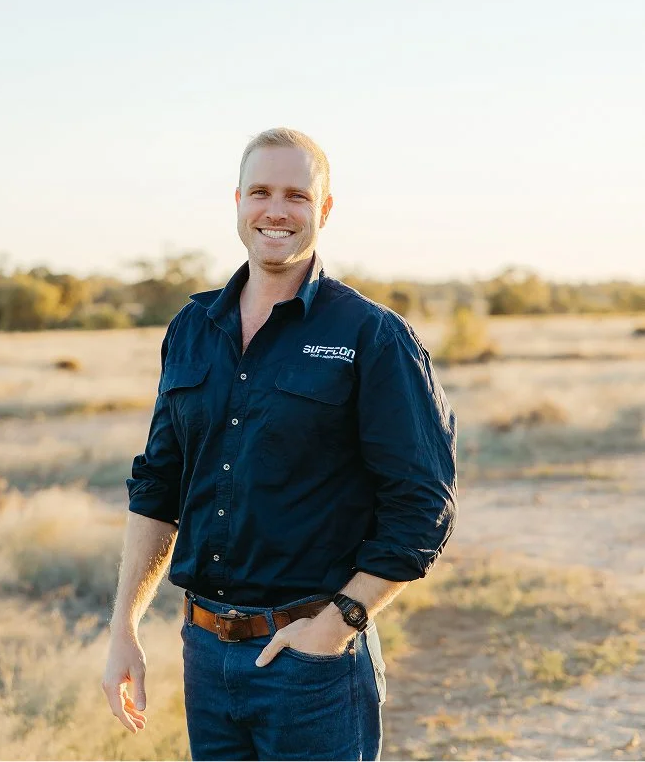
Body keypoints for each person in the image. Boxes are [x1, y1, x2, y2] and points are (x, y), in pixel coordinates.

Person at [102, 127, 458, 761]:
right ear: (238, 201)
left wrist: (338, 624)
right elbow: (158, 484)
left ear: (325, 209)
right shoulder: (192, 328)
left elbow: (423, 503)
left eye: (297, 195)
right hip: (204, 653)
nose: (276, 210)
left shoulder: (371, 335)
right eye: (261, 191)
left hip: (313, 664)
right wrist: (124, 626)